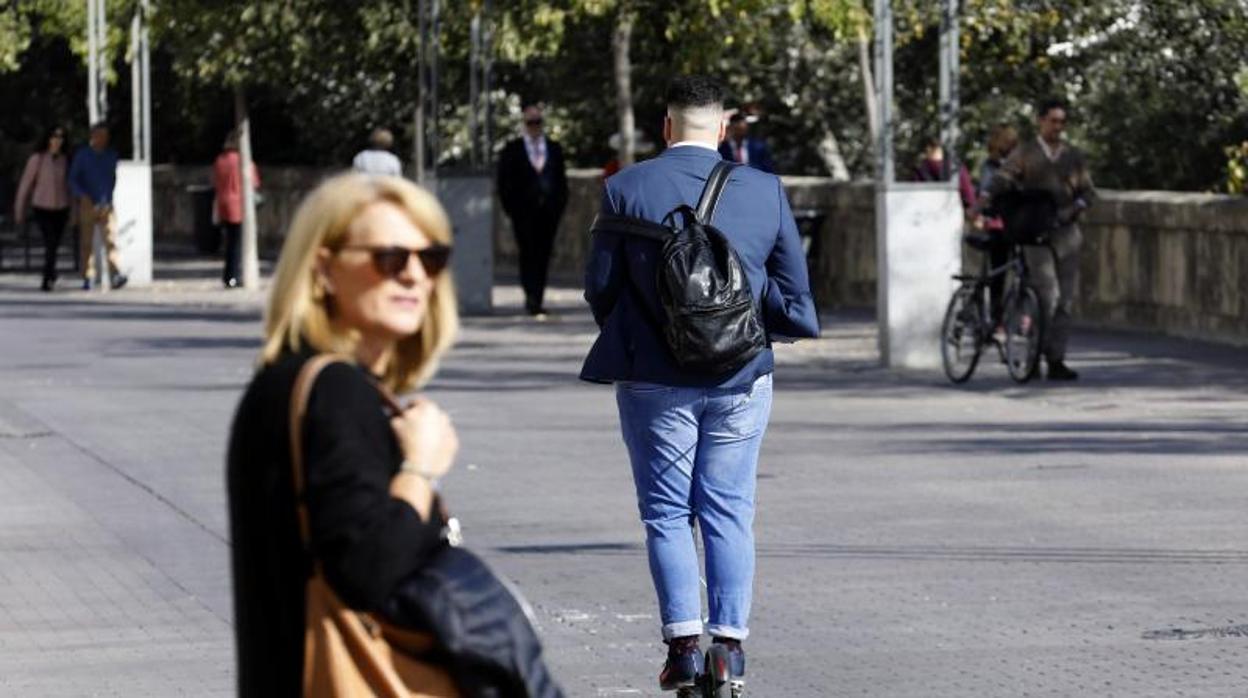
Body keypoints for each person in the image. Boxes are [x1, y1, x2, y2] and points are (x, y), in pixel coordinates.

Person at [582, 75, 820, 693]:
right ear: (721, 128)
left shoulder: (624, 188)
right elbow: (794, 290)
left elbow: (600, 289)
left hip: (652, 378)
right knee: (729, 509)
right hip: (741, 376)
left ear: (666, 127)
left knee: (666, 512)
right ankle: (730, 652)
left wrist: (645, 329)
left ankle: (684, 648)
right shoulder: (763, 190)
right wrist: (748, 329)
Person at [227, 173, 461, 694]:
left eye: (432, 259)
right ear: (324, 270)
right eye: (390, 258)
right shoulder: (335, 391)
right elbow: (369, 570)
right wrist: (420, 467)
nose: (415, 277)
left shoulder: (286, 384)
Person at [987, 98, 1096, 380]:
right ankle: (1034, 354)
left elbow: (1088, 192)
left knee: (1066, 302)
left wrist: (1078, 207)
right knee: (1047, 296)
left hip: (1067, 233)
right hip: (1035, 233)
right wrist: (992, 194)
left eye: (1062, 122)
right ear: (1041, 121)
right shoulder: (1026, 152)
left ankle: (1056, 357)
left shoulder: (1073, 156)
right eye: (1053, 121)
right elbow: (1003, 176)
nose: (1057, 127)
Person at [497, 103, 569, 318]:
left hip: (548, 213)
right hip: (523, 212)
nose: (534, 127)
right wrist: (511, 208)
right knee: (527, 253)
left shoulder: (554, 148)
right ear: (524, 124)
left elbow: (561, 181)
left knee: (544, 254)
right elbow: (504, 182)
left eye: (538, 122)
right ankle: (531, 297)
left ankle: (538, 295)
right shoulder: (513, 149)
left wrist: (558, 205)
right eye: (530, 123)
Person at [68, 121, 126, 290]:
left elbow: (112, 178)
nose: (103, 139)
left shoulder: (111, 155)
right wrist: (82, 195)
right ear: (93, 136)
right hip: (87, 203)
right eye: (100, 136)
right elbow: (72, 179)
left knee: (111, 239)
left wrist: (108, 196)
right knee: (86, 242)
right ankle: (88, 276)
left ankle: (115, 274)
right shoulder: (83, 156)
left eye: (106, 136)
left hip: (106, 203)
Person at [14, 126, 71, 291]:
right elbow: (25, 185)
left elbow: (69, 187)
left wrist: (73, 210)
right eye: (54, 136)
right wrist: (19, 210)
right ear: (48, 138)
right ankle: (47, 278)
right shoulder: (37, 159)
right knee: (50, 242)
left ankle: (50, 272)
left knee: (55, 244)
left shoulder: (65, 160)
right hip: (42, 207)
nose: (57, 140)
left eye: (60, 137)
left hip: (61, 207)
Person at [975, 124, 1020, 328]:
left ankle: (1019, 317)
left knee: (1019, 272)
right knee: (998, 275)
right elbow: (987, 193)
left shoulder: (1017, 163)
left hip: (1017, 223)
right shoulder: (991, 166)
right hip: (999, 225)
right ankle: (997, 319)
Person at [212, 130, 261, 288]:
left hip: (223, 204)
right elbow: (254, 184)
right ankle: (233, 276)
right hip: (239, 205)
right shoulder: (244, 162)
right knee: (237, 243)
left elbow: (215, 182)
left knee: (229, 242)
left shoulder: (220, 160)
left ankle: (228, 275)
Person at [914, 137, 977, 217]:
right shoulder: (957, 168)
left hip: (927, 216)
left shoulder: (921, 170)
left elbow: (916, 197)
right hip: (952, 216)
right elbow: (969, 198)